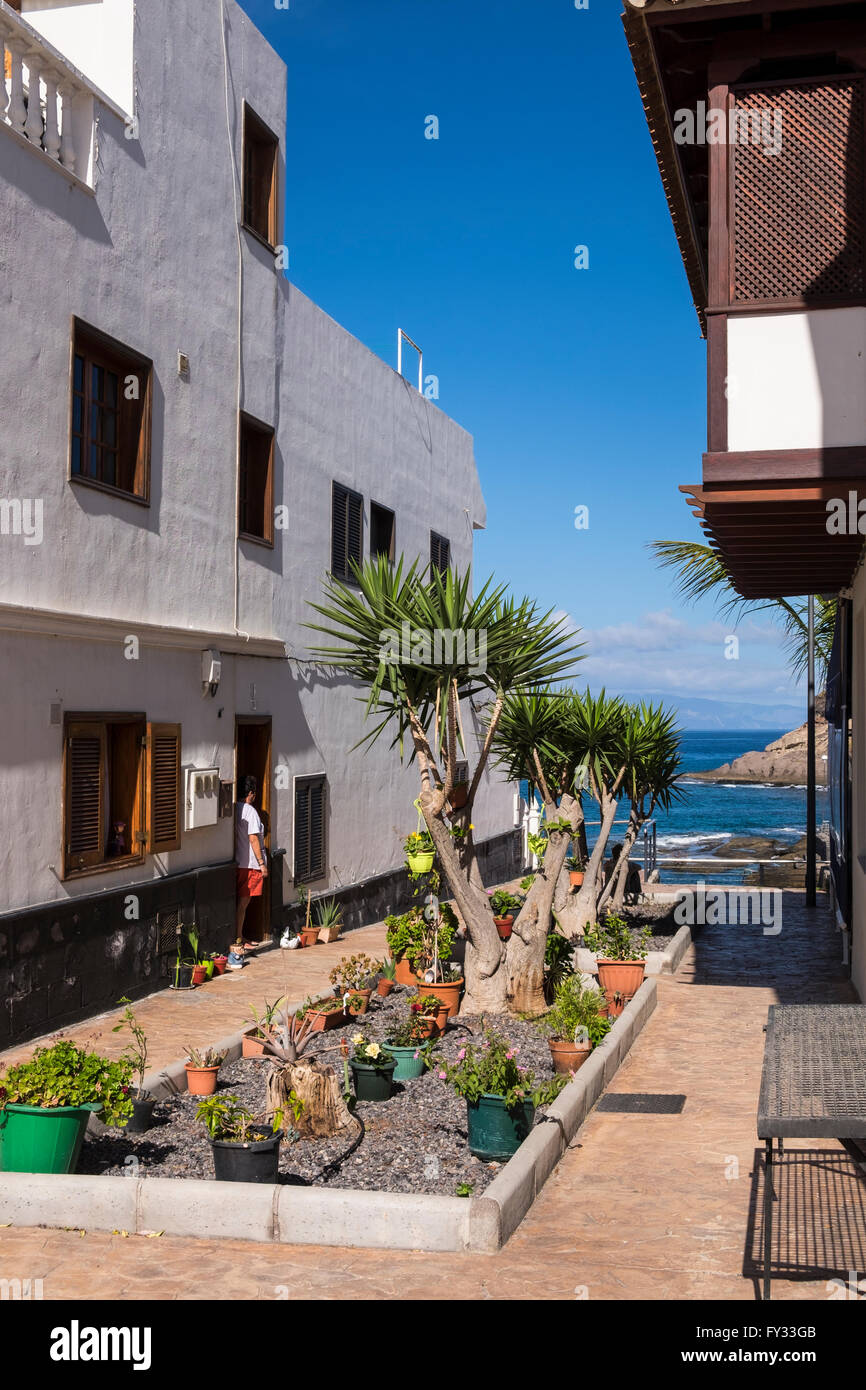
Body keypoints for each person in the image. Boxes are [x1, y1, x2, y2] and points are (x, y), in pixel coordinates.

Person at [236, 774, 267, 946]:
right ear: (251, 793)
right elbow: (253, 838)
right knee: (244, 902)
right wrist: (261, 864)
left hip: (239, 861)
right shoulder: (251, 811)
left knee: (242, 902)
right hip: (251, 865)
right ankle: (239, 937)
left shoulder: (236, 809)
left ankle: (240, 936)